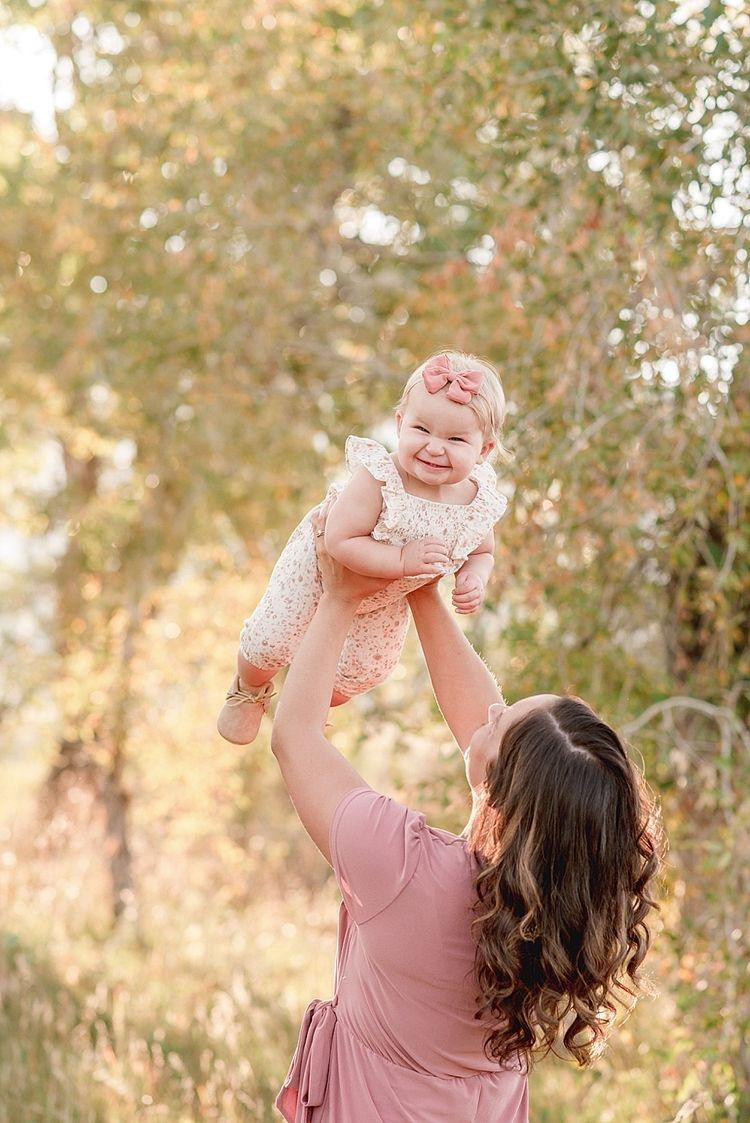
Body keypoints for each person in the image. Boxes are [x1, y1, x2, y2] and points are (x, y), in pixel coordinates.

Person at [270, 503, 664, 1123]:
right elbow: (501, 744)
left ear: (500, 789)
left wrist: (341, 597)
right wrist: (422, 587)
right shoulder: (565, 903)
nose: (490, 711)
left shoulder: (400, 868)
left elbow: (295, 738)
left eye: (500, 721)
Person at [217, 350, 509, 745]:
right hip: (321, 576)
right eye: (422, 429)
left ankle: (306, 701)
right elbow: (339, 539)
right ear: (401, 423)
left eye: (455, 439)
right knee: (271, 640)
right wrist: (402, 559)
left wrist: (474, 578)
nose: (434, 448)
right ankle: (250, 687)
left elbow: (481, 550)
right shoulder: (382, 479)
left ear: (484, 450)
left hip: (387, 597)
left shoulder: (476, 500)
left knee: (363, 671)